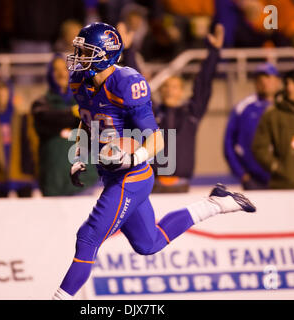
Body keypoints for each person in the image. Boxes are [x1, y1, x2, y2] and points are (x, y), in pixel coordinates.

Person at [52, 22, 256, 300]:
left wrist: (130, 158)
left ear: (105, 54)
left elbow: (157, 140)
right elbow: (88, 119)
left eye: (84, 50)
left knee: (87, 238)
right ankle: (215, 203)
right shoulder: (80, 81)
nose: (77, 55)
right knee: (149, 243)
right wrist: (80, 154)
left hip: (132, 176)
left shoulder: (125, 84)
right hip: (112, 173)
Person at [149, 23, 224, 193]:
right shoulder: (152, 113)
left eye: (174, 87)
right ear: (160, 91)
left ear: (181, 92)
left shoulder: (191, 113)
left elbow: (203, 84)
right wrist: (129, 51)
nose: (169, 90)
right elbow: (136, 91)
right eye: (165, 87)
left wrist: (213, 53)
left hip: (182, 186)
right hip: (154, 186)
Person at [31, 54, 98, 196]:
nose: (61, 73)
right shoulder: (41, 104)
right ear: (50, 74)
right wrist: (73, 114)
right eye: (56, 70)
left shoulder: (85, 99)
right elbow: (45, 119)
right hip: (53, 183)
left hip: (85, 181)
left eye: (65, 69)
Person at [224, 63, 280, 190]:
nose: (264, 82)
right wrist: (242, 174)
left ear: (277, 81)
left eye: (268, 78)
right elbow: (228, 143)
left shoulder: (286, 106)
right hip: (254, 179)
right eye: (260, 79)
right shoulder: (243, 107)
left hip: (284, 178)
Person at [0, 78, 38, 198]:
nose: (0, 94)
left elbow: (33, 144)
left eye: (3, 90)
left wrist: (34, 170)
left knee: (26, 214)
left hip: (23, 175)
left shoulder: (23, 117)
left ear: (10, 93)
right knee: (0, 215)